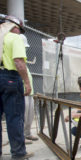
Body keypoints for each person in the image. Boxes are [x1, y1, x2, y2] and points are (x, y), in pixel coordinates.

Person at [0, 15, 34, 159]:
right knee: (14, 117)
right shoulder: (15, 38)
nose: (20, 32)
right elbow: (19, 61)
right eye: (20, 29)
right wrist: (26, 82)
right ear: (14, 27)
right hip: (10, 78)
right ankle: (19, 152)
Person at [20, 34, 39, 145]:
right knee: (22, 115)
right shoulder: (17, 59)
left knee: (29, 115)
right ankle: (21, 135)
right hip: (22, 92)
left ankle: (27, 133)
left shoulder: (23, 59)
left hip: (29, 93)